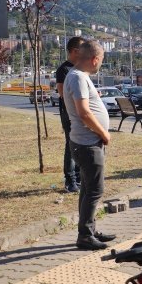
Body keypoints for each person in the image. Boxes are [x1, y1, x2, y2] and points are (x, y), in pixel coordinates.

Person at [63, 40, 115, 251]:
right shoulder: (77, 78)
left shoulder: (78, 77)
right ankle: (85, 235)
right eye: (101, 60)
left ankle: (89, 229)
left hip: (86, 141)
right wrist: (103, 133)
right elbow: (84, 113)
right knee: (94, 190)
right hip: (88, 143)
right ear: (94, 59)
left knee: (87, 188)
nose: (100, 64)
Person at [56, 36, 83, 192]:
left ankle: (79, 178)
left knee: (79, 146)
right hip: (70, 114)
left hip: (79, 114)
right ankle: (70, 180)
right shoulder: (64, 70)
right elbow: (62, 93)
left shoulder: (78, 69)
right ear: (74, 51)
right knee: (71, 146)